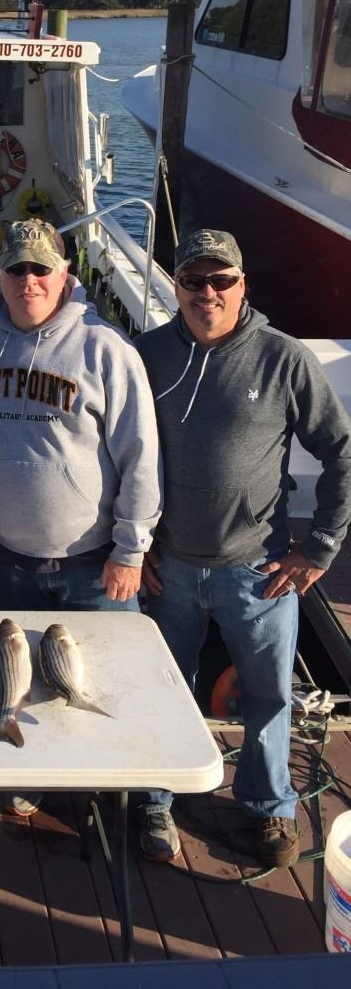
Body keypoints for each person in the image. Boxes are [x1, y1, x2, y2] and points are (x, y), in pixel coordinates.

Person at [136, 228, 351, 868]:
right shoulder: (147, 354)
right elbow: (115, 454)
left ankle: (268, 805)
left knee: (268, 696)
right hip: (168, 567)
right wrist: (131, 545)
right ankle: (156, 798)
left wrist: (319, 549)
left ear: (242, 285)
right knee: (164, 689)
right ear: (176, 286)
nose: (207, 292)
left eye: (221, 280)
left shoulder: (285, 358)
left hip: (258, 570)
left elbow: (341, 452)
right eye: (193, 280)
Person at [0, 217, 161, 823]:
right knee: (25, 684)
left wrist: (130, 549)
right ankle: (39, 773)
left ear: (64, 274)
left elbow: (140, 456)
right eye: (16, 268)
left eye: (41, 268)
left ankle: (142, 798)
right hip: (10, 557)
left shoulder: (107, 349)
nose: (29, 281)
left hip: (94, 564)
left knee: (118, 685)